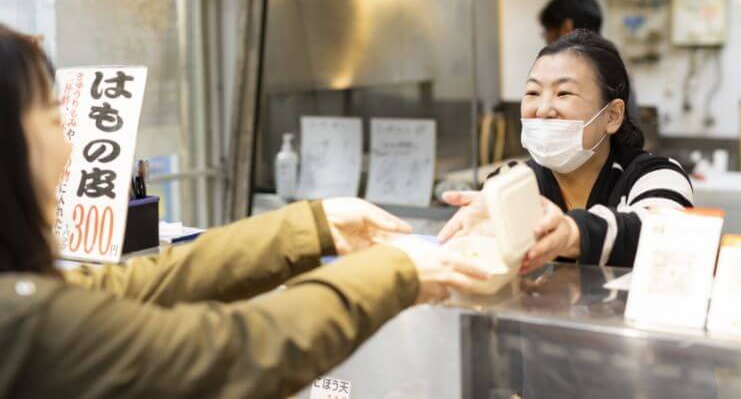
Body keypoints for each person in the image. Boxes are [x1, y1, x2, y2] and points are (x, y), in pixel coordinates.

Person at [0, 25, 491, 398]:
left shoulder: (25, 300)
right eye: (50, 116)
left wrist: (311, 227)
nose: (69, 147)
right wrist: (392, 271)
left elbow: (138, 284)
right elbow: (232, 351)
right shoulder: (25, 318)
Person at [439, 30, 693, 269]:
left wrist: (572, 232)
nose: (542, 109)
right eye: (533, 92)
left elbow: (666, 235)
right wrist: (478, 241)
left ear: (612, 115)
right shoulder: (509, 182)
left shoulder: (658, 175)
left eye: (563, 93)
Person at [539, 0, 639, 121]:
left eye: (548, 31)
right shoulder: (612, 62)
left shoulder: (582, 70)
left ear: (566, 28)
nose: (547, 40)